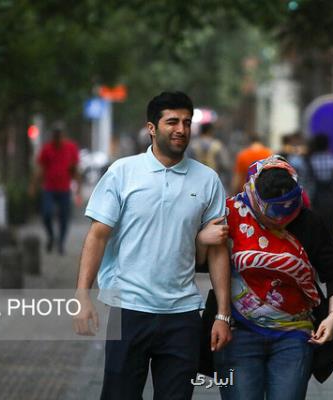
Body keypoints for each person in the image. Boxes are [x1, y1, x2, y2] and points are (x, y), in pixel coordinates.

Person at [72, 91, 232, 399]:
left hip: (183, 313)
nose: (181, 129)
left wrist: (223, 315)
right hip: (128, 309)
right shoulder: (122, 172)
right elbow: (97, 235)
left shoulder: (207, 180)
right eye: (172, 121)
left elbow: (217, 250)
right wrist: (82, 294)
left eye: (187, 122)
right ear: (152, 128)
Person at [198, 156, 333, 399]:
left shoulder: (307, 222)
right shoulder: (230, 216)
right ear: (256, 199)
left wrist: (332, 317)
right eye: (273, 210)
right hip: (238, 333)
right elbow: (198, 262)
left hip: (294, 335)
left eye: (290, 206)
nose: (281, 218)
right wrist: (201, 240)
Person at [30, 127, 80, 255]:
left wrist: (78, 188)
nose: (58, 139)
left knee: (64, 217)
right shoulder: (47, 149)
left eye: (60, 136)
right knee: (46, 214)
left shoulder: (71, 148)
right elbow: (40, 169)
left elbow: (75, 169)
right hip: (49, 188)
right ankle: (51, 236)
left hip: (64, 188)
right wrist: (33, 186)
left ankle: (61, 243)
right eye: (55, 136)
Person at [299, 134, 333, 239]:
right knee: (331, 233)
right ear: (327, 146)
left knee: (316, 233)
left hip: (315, 203)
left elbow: (303, 184)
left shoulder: (309, 162)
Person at [189, 122, 231, 189]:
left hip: (196, 182)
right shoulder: (218, 145)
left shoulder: (192, 145)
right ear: (210, 131)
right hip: (214, 182)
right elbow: (225, 164)